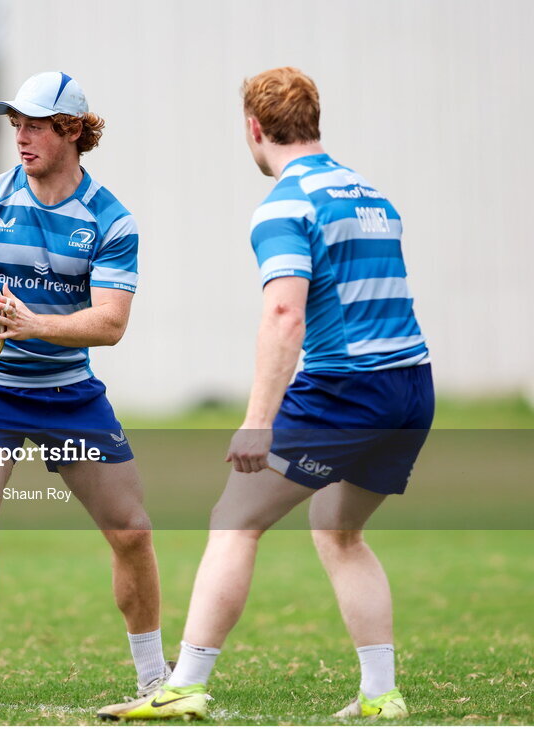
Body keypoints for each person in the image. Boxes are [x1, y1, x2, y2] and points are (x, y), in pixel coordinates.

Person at [98, 66, 434, 721]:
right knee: (338, 531)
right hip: (412, 387)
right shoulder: (372, 195)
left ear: (254, 129)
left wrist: (258, 421)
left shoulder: (286, 203)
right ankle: (381, 693)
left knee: (235, 519)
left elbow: (285, 316)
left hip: (346, 390)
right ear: (313, 120)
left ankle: (186, 682)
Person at [0, 71, 168, 706]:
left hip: (68, 395)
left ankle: (155, 678)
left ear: (73, 130)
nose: (21, 136)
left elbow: (110, 323)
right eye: (15, 124)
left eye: (35, 124)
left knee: (132, 530)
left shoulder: (110, 220)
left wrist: (34, 324)